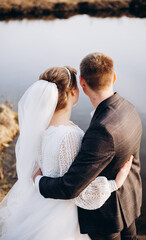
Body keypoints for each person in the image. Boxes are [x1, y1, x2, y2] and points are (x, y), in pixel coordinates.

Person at [0, 65, 132, 240]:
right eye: (77, 87)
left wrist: (38, 180)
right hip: (60, 217)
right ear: (71, 93)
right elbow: (80, 194)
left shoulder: (41, 128)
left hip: (39, 201)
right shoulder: (70, 136)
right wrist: (114, 183)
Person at [34, 53, 143, 240]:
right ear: (114, 76)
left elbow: (70, 187)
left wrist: (38, 181)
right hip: (130, 197)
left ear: (82, 83)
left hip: (107, 216)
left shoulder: (101, 131)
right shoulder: (129, 107)